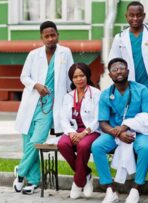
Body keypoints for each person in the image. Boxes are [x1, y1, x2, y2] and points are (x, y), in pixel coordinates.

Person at [13, 21, 74, 195]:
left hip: (51, 105)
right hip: (30, 103)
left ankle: (20, 172)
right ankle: (32, 182)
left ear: (57, 35)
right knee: (27, 142)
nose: (50, 39)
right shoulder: (34, 54)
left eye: (53, 35)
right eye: (46, 36)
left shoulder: (65, 52)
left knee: (36, 140)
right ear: (41, 37)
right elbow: (24, 76)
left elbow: (70, 78)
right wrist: (36, 85)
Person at [92, 58, 148, 203]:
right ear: (110, 75)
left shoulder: (141, 90)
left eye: (122, 67)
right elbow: (103, 122)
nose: (118, 71)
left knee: (145, 147)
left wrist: (125, 127)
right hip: (115, 133)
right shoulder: (106, 94)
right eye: (114, 69)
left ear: (128, 71)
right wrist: (118, 132)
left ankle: (136, 188)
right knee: (97, 146)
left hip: (139, 131)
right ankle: (110, 189)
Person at [108, 1, 148, 105]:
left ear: (144, 15)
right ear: (126, 16)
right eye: (131, 15)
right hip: (130, 87)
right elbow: (112, 64)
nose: (135, 19)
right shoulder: (119, 38)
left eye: (138, 15)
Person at [57, 63, 101, 199]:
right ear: (72, 79)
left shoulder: (96, 94)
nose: (79, 79)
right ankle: (86, 173)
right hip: (74, 131)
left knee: (83, 145)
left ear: (87, 76)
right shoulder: (68, 96)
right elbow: (63, 118)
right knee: (62, 144)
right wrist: (71, 132)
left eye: (82, 75)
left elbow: (99, 118)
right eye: (75, 77)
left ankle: (78, 182)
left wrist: (84, 133)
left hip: (92, 130)